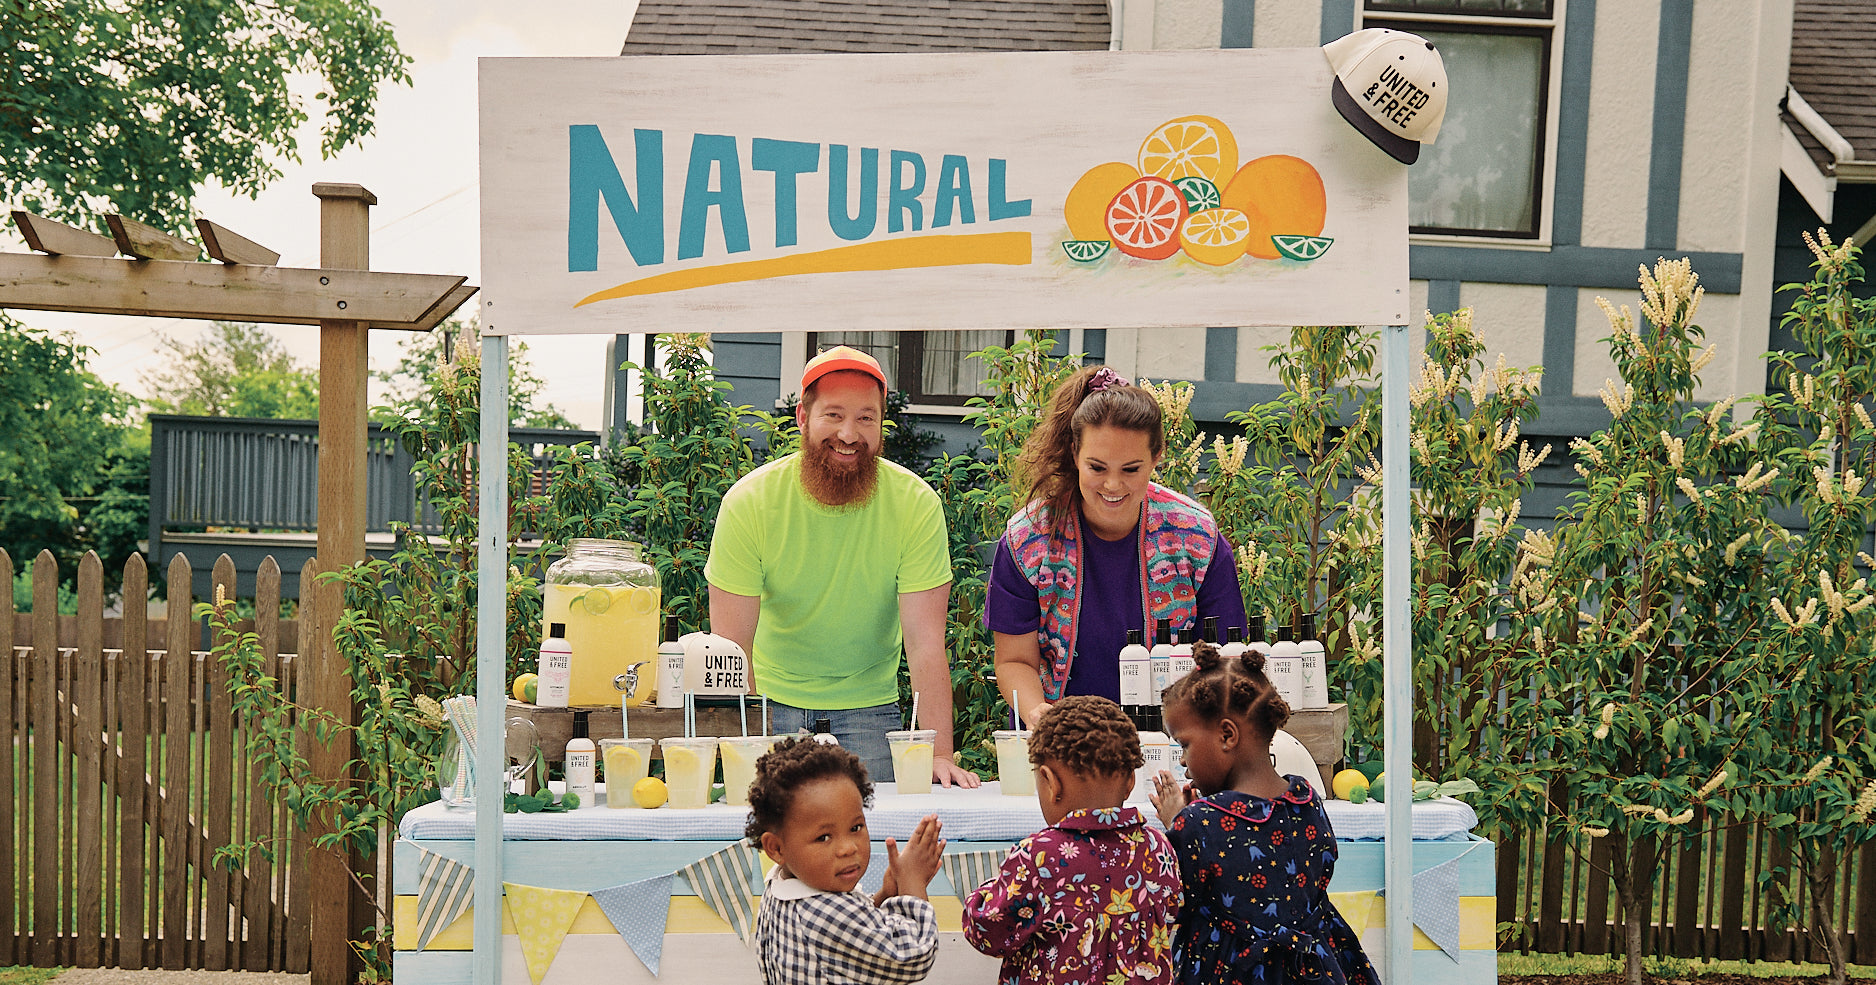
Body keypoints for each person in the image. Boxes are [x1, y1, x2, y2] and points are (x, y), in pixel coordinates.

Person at [708, 345, 979, 787]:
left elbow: (926, 643)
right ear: (802, 417)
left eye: (865, 418)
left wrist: (939, 753)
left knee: (873, 843)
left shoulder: (915, 504)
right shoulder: (749, 502)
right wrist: (746, 745)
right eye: (833, 415)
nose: (849, 434)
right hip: (772, 710)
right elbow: (732, 649)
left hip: (872, 711)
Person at [987, 365, 1248, 727]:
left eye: (1130, 469)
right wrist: (1038, 714)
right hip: (1062, 742)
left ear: (1157, 457)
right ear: (1075, 452)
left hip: (1173, 745)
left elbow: (1226, 659)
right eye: (1097, 467)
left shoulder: (1197, 537)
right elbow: (1014, 661)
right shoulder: (1027, 540)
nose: (1113, 485)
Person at [1149, 642, 1377, 985]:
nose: (1181, 760)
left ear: (1227, 735)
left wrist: (1175, 823)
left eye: (1184, 744)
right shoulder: (1307, 800)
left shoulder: (1197, 823)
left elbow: (1174, 905)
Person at [962, 696, 1182, 985]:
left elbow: (988, 931)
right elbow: (1172, 911)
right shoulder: (1156, 846)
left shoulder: (1040, 857)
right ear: (1130, 781)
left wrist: (984, 894)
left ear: (1050, 783)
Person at [747, 737, 946, 985]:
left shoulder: (780, 886)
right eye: (824, 837)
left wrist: (886, 895)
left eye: (855, 827)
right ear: (776, 848)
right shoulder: (823, 913)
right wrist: (913, 883)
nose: (848, 848)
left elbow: (858, 927)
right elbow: (912, 956)